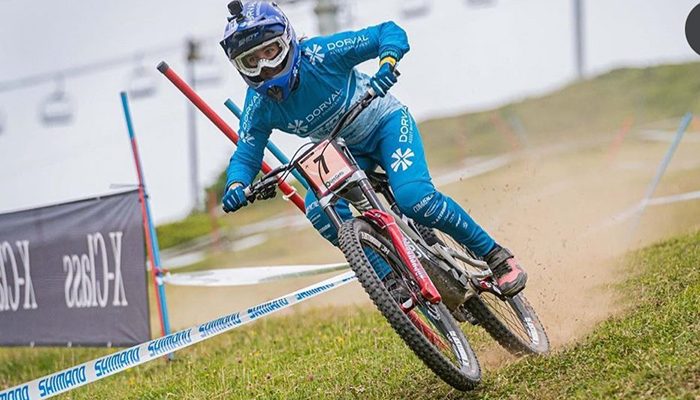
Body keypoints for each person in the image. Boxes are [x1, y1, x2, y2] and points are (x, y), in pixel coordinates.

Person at [219, 0, 527, 296]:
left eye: (270, 51)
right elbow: (246, 154)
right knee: (319, 210)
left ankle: (496, 256)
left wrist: (387, 64)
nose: (265, 67)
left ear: (287, 40)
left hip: (384, 125)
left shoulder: (321, 54)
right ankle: (388, 282)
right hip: (338, 153)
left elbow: (387, 33)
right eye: (251, 61)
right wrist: (236, 184)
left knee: (414, 198)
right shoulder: (258, 106)